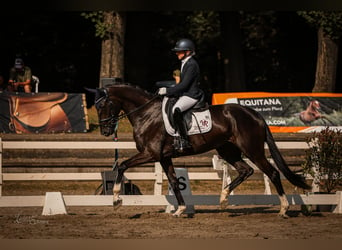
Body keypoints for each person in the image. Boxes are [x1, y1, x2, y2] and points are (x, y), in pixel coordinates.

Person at [158, 38, 205, 152]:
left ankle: (184, 140)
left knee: (176, 110)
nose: (177, 53)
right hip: (185, 93)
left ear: (187, 52)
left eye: (179, 51)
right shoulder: (185, 63)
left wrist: (167, 91)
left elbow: (184, 85)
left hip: (191, 95)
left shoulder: (192, 64)